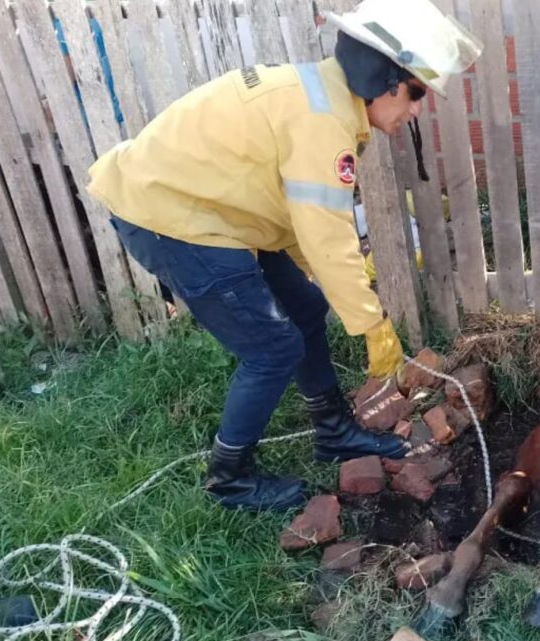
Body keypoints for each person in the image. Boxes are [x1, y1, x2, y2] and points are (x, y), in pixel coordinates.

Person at [86, 0, 482, 512]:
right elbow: (328, 237)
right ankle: (229, 480)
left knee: (306, 309)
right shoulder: (323, 123)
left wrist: (329, 287)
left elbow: (299, 218)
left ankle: (334, 431)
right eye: (416, 92)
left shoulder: (319, 100)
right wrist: (372, 324)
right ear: (384, 78)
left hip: (216, 210)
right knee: (272, 348)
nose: (416, 108)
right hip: (173, 219)